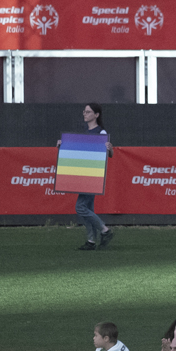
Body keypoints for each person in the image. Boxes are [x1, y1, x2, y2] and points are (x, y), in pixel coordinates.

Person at [59, 103, 113, 251]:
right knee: (88, 209)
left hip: (92, 175)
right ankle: (91, 241)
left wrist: (110, 149)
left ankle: (105, 230)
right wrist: (63, 145)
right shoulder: (85, 132)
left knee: (80, 207)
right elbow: (77, 151)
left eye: (88, 112)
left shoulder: (101, 133)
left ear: (96, 115)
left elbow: (109, 154)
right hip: (84, 174)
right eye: (84, 111)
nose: (85, 114)